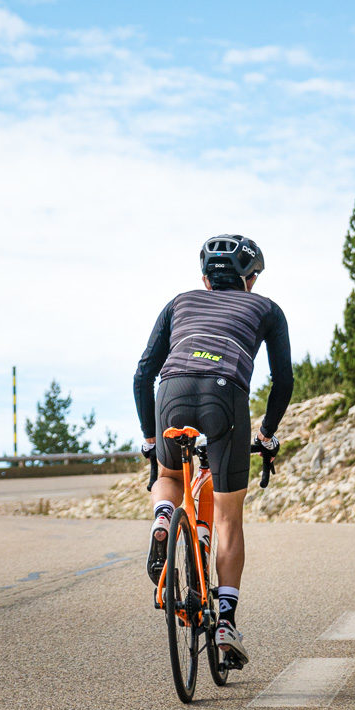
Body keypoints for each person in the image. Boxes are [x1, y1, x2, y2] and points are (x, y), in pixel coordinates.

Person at [133, 234, 292, 665]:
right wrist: (267, 435)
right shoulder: (267, 309)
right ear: (250, 278)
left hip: (172, 389)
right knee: (227, 517)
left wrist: (151, 441)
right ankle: (225, 620)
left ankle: (164, 518)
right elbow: (284, 380)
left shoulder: (179, 301)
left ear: (205, 278)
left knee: (167, 477)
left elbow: (143, 372)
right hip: (226, 395)